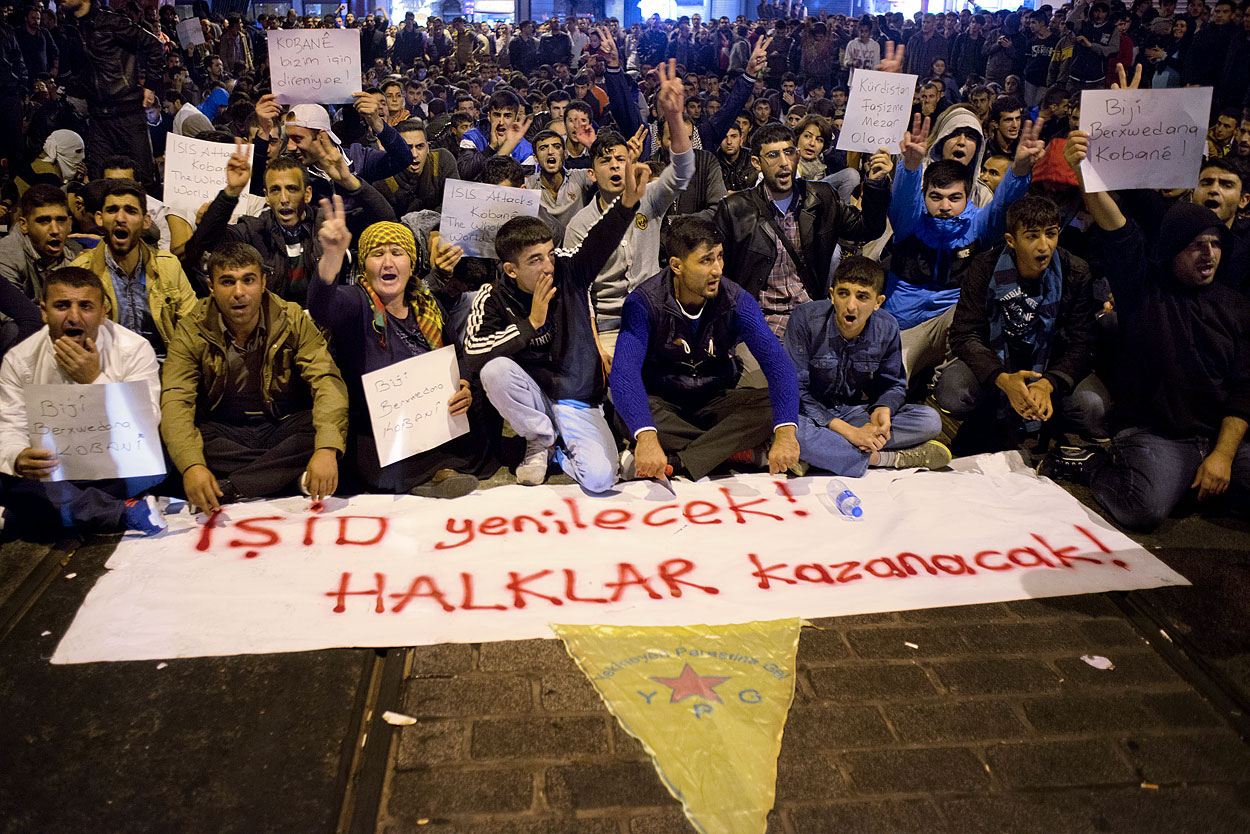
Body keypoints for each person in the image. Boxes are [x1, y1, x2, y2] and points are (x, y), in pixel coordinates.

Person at [1052, 133, 1250, 532]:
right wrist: (1083, 170)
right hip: (1158, 435)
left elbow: (1244, 389)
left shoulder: (1235, 304)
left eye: (1215, 244)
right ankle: (1093, 465)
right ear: (1172, 250)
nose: (1209, 254)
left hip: (1216, 438)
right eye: (1196, 245)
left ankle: (1200, 481)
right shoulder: (1143, 288)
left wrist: (1223, 455)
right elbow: (1117, 227)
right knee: (1144, 509)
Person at [462, 157, 650, 491]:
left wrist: (628, 204)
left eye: (549, 253)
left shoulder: (568, 270)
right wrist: (530, 324)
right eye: (535, 260)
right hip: (534, 396)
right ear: (510, 270)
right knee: (495, 372)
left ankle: (561, 448)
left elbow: (598, 242)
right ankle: (540, 438)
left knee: (601, 479)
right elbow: (473, 352)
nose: (548, 265)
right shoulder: (492, 298)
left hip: (577, 398)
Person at [309, 209, 494, 498]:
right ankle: (435, 475)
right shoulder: (355, 302)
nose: (387, 262)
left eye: (397, 253)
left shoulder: (427, 304)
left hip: (434, 423)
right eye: (377, 254)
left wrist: (465, 385)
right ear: (363, 266)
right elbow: (323, 306)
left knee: (486, 394)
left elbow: (459, 356)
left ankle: (440, 471)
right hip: (382, 433)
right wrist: (331, 257)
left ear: (411, 265)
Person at [610, 216, 802, 482]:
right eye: (706, 260)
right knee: (626, 411)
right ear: (677, 265)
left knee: (776, 408)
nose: (717, 270)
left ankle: (678, 461)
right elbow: (624, 374)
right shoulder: (643, 303)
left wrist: (785, 435)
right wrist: (646, 435)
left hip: (715, 400)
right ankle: (731, 451)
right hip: (663, 402)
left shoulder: (736, 300)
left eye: (720, 257)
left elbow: (778, 366)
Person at [159, 242, 348, 512]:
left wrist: (326, 450)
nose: (239, 292)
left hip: (280, 426)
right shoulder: (191, 329)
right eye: (227, 282)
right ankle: (284, 478)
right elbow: (177, 399)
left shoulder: (291, 318)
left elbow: (326, 381)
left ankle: (232, 487)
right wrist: (193, 465)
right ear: (211, 287)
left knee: (331, 432)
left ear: (263, 282)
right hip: (223, 433)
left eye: (248, 280)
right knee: (174, 438)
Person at [0, 267, 165, 536]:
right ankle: (120, 512)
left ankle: (23, 516)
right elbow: (9, 426)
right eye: (62, 306)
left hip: (117, 468)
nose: (74, 317)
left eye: (86, 306)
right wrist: (18, 456)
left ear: (103, 314)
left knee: (158, 466)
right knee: (9, 477)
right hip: (51, 472)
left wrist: (94, 379)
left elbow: (146, 424)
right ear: (44, 312)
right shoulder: (20, 359)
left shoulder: (134, 349)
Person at [936, 195, 1107, 452]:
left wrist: (1047, 383)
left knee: (1094, 408)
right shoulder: (984, 267)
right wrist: (1003, 378)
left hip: (1050, 363)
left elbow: (1082, 344)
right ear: (1011, 241)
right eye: (1032, 236)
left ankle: (1037, 409)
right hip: (997, 358)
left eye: (1051, 234)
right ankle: (1008, 404)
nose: (1044, 246)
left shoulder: (1076, 272)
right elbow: (964, 334)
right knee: (953, 392)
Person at [884, 114, 1044, 380]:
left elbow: (1003, 207)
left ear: (967, 196)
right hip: (902, 321)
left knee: (967, 315)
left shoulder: (978, 224)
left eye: (954, 198)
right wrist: (910, 168)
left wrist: (1019, 171)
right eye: (936, 197)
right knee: (893, 376)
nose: (945, 207)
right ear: (925, 195)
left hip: (952, 323)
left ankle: (945, 377)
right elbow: (903, 201)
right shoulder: (910, 223)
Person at [714, 122, 891, 340]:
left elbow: (868, 229)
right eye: (772, 155)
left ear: (797, 155)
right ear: (756, 162)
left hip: (811, 316)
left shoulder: (821, 197)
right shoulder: (735, 208)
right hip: (761, 321)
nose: (784, 162)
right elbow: (719, 275)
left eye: (789, 152)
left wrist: (875, 184)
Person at [566, 59, 693, 357]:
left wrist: (674, 117)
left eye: (621, 160)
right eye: (605, 161)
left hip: (657, 318)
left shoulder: (649, 198)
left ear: (631, 165)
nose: (615, 166)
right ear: (592, 173)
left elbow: (683, 172)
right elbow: (578, 292)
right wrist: (594, 345)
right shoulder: (581, 224)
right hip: (609, 329)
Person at [784, 256, 950, 476]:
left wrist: (884, 408)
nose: (851, 305)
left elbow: (893, 384)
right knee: (790, 433)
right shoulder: (804, 319)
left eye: (862, 297)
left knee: (929, 421)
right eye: (843, 294)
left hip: (855, 411)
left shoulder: (887, 326)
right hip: (811, 415)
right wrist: (849, 432)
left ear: (878, 302)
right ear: (832, 295)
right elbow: (795, 390)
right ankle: (884, 458)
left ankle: (818, 455)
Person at [192, 139, 394, 306]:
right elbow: (207, 241)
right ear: (267, 197)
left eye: (292, 188)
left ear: (307, 194)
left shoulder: (328, 225)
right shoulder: (254, 230)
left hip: (327, 320)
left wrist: (349, 181)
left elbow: (388, 221)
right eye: (275, 190)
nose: (284, 198)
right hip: (275, 327)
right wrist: (231, 193)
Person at [70, 179, 198, 358]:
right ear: (99, 218)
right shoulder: (81, 273)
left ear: (146, 221)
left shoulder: (168, 266)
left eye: (130, 211)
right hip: (106, 369)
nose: (120, 219)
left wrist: (177, 380)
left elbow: (192, 328)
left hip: (162, 369)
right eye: (112, 210)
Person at [56, 0, 164, 183]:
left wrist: (151, 87)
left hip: (127, 113)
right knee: (99, 181)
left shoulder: (111, 22)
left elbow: (154, 45)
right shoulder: (70, 28)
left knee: (143, 178)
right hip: (97, 117)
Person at [250, 97, 414, 207]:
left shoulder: (358, 158)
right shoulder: (292, 170)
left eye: (297, 138)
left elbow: (403, 158)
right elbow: (257, 188)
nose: (290, 147)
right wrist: (263, 133)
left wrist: (377, 123)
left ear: (321, 136)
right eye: (288, 138)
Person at [0, 186, 83, 303]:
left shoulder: (77, 255)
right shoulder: (6, 255)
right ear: (24, 225)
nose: (55, 230)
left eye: (61, 220)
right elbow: (12, 316)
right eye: (44, 221)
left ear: (69, 224)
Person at [457, 89, 537, 182]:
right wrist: (491, 148)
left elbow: (520, 188)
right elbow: (464, 174)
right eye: (497, 115)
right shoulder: (472, 137)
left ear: (515, 118)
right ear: (489, 116)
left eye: (507, 116)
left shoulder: (526, 151)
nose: (501, 122)